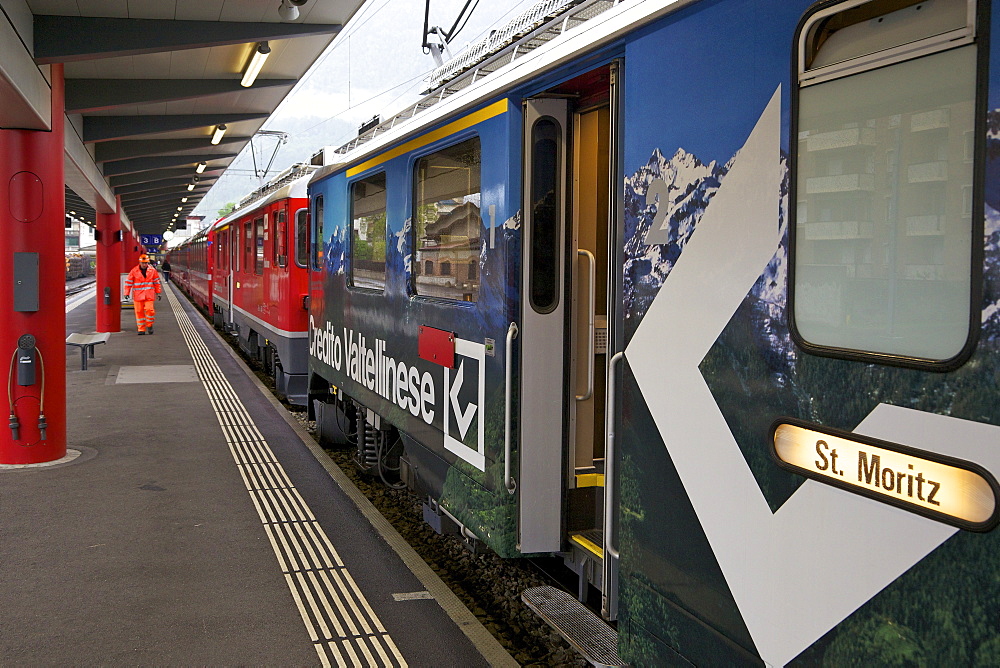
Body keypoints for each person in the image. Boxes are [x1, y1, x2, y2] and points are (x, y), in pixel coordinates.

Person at [123, 254, 162, 335]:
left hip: (149, 295)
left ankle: (149, 325)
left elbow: (156, 282)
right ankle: (141, 329)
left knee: (150, 310)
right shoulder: (134, 271)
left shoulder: (152, 271)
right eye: (143, 263)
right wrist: (126, 293)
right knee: (139, 312)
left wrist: (158, 292)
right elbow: (128, 283)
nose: (144, 264)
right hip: (138, 296)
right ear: (140, 262)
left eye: (146, 263)